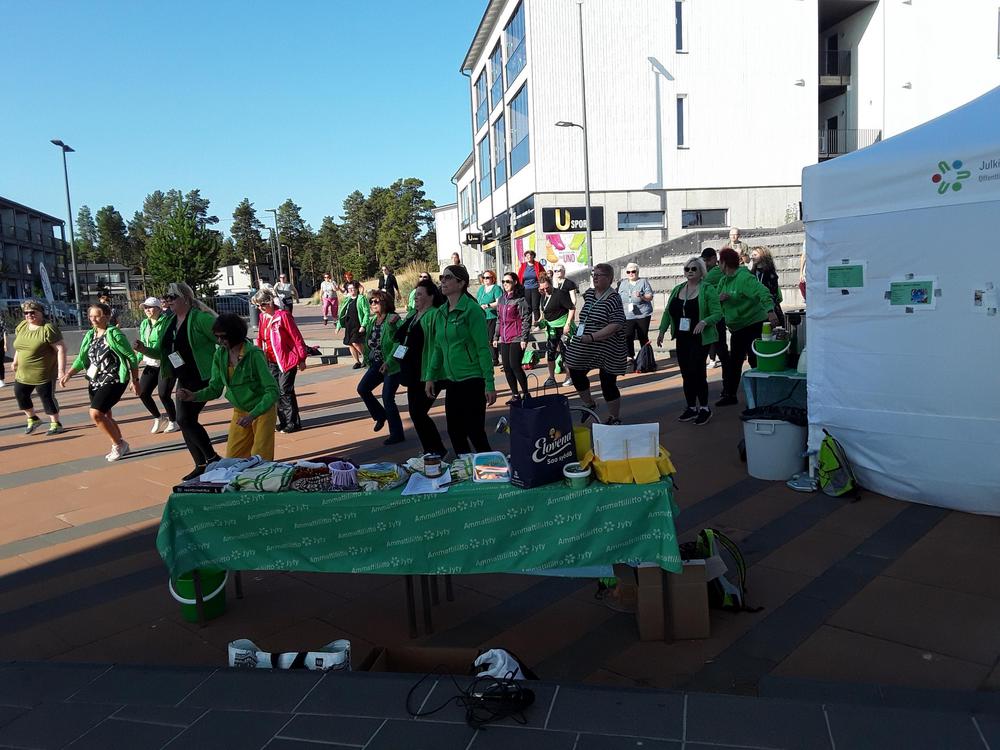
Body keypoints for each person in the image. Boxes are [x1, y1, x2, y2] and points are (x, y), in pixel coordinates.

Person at [136, 282, 222, 480]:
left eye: (172, 297)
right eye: (166, 297)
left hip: (202, 376)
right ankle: (201, 464)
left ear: (185, 298)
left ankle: (212, 458)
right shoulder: (170, 322)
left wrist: (223, 364)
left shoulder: (200, 319)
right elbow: (162, 352)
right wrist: (143, 349)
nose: (167, 300)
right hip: (183, 377)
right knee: (185, 421)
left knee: (184, 419)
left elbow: (225, 339)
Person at [178, 314, 279, 461]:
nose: (219, 341)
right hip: (240, 412)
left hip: (262, 411)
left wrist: (253, 415)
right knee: (233, 458)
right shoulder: (220, 355)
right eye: (217, 337)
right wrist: (194, 396)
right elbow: (215, 388)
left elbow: (273, 391)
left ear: (235, 334)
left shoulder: (254, 354)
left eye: (223, 337)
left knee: (260, 458)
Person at [425, 264, 495, 454]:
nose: (443, 281)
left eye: (448, 277)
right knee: (455, 432)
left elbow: (483, 349)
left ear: (461, 283)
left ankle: (492, 469)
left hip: (473, 379)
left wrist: (489, 383)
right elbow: (438, 348)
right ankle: (464, 468)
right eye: (442, 277)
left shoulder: (472, 310)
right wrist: (431, 376)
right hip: (452, 381)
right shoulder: (441, 312)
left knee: (475, 432)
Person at [61, 303, 140, 461]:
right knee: (106, 415)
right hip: (95, 379)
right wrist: (69, 373)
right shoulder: (90, 335)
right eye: (91, 316)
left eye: (97, 316)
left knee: (96, 413)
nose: (93, 319)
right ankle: (121, 444)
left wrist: (135, 380)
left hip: (114, 378)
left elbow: (131, 357)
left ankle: (118, 445)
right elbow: (82, 358)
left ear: (107, 316)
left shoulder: (114, 334)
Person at [657, 258, 722, 425]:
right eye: (687, 269)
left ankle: (705, 408)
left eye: (694, 269)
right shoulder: (678, 289)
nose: (690, 271)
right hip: (682, 337)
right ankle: (691, 407)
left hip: (700, 338)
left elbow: (717, 313)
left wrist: (704, 322)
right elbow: (668, 312)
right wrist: (662, 331)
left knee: (698, 371)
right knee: (686, 373)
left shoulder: (707, 289)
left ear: (701, 272)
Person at [563, 263, 628, 424]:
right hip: (587, 344)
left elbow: (616, 325)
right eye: (594, 274)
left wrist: (592, 336)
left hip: (609, 347)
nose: (595, 277)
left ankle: (614, 417)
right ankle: (589, 403)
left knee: (607, 382)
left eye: (599, 275)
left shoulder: (613, 298)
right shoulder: (590, 294)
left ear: (609, 278)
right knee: (574, 369)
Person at [715, 247, 779, 406]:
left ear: (724, 263)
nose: (718, 265)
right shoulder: (723, 281)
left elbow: (763, 292)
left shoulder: (744, 278)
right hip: (737, 328)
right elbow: (715, 300)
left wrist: (770, 311)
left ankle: (762, 397)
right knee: (735, 362)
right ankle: (730, 395)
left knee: (754, 359)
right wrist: (719, 299)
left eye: (719, 262)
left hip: (753, 324)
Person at [395, 279, 447, 457]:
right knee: (415, 413)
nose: (415, 297)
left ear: (431, 296)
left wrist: (431, 374)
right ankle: (429, 450)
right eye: (415, 294)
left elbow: (437, 345)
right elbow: (400, 338)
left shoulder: (434, 315)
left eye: (419, 294)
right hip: (412, 372)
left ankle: (437, 449)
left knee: (418, 412)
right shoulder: (413, 315)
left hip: (428, 372)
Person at [253, 288, 308, 433]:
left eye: (262, 304)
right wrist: (259, 355)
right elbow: (260, 338)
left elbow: (296, 336)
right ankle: (284, 421)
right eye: (258, 305)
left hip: (287, 359)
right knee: (275, 391)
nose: (260, 308)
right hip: (271, 360)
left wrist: (302, 358)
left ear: (270, 302)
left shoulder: (283, 316)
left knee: (285, 390)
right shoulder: (263, 317)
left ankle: (292, 423)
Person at [357, 290, 405, 445]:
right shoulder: (372, 321)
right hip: (377, 364)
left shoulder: (393, 319)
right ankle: (380, 415)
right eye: (371, 301)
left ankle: (397, 434)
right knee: (363, 388)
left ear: (385, 303)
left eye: (376, 301)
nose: (373, 304)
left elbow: (402, 343)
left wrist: (390, 361)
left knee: (387, 398)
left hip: (392, 365)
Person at [11, 300, 67, 435]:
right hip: (23, 372)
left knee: (46, 397)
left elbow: (61, 349)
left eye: (33, 312)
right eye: (26, 313)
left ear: (41, 313)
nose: (29, 315)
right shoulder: (22, 326)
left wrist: (61, 371)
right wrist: (15, 361)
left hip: (43, 372)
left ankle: (56, 423)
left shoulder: (47, 328)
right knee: (20, 394)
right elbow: (19, 347)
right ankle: (33, 418)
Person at [134, 296, 177, 434]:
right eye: (145, 308)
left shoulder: (166, 323)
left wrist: (144, 350)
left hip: (167, 362)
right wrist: (136, 360)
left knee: (164, 394)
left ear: (159, 309)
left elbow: (161, 348)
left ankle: (174, 421)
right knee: (142, 392)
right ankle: (159, 418)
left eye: (150, 307)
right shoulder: (144, 324)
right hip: (151, 362)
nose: (147, 310)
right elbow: (143, 343)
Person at [496, 272, 532, 404]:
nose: (505, 284)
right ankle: (515, 394)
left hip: (517, 337)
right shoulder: (501, 299)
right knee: (506, 367)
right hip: (504, 338)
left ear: (515, 282)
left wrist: (524, 338)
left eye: (508, 281)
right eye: (503, 281)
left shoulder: (520, 300)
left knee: (515, 365)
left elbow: (526, 319)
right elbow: (499, 319)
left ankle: (526, 394)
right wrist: (496, 336)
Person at [538, 273, 575, 388]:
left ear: (551, 284)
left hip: (562, 327)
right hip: (551, 328)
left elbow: (572, 308)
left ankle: (569, 376)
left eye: (547, 287)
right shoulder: (543, 295)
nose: (545, 290)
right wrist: (540, 321)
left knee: (565, 352)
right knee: (550, 352)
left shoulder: (560, 294)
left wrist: (568, 324)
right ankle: (551, 377)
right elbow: (544, 311)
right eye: (542, 289)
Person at [617, 262, 654, 372]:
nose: (631, 273)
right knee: (628, 336)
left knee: (643, 336)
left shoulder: (643, 282)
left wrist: (642, 296)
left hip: (642, 314)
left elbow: (650, 296)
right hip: (627, 314)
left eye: (633, 271)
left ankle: (646, 358)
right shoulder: (623, 283)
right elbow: (618, 297)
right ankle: (630, 357)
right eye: (628, 272)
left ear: (637, 272)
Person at [701, 247, 728, 369]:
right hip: (716, 312)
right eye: (704, 261)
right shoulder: (711, 272)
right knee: (718, 341)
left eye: (707, 260)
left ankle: (714, 359)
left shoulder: (713, 273)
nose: (705, 264)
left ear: (714, 259)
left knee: (717, 341)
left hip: (715, 313)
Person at [337, 281, 371, 369]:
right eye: (349, 289)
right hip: (349, 324)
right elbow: (342, 313)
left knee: (355, 342)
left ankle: (367, 358)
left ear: (357, 289)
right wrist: (338, 326)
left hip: (358, 324)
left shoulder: (361, 298)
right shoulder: (347, 300)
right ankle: (357, 361)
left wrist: (363, 325)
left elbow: (367, 312)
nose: (351, 290)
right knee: (350, 344)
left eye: (353, 288)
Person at [750, 246, 784, 326]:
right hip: (756, 310)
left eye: (755, 255)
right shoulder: (751, 273)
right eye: (752, 255)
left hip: (770, 307)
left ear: (763, 256)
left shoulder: (770, 273)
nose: (752, 257)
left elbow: (772, 292)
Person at [476, 269, 503, 366]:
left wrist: (488, 305)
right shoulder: (481, 289)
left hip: (492, 316)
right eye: (484, 277)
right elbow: (477, 301)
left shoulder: (496, 288)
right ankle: (486, 358)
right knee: (483, 339)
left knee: (491, 339)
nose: (485, 279)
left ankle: (494, 359)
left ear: (493, 278)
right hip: (481, 317)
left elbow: (499, 302)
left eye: (488, 277)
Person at [517, 250, 544, 324]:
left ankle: (537, 323)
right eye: (527, 256)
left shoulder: (537, 264)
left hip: (535, 288)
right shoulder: (523, 266)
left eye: (530, 255)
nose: (528, 257)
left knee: (535, 307)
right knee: (528, 307)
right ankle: (528, 324)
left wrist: (542, 285)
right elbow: (519, 277)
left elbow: (543, 275)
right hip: (526, 289)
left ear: (533, 256)